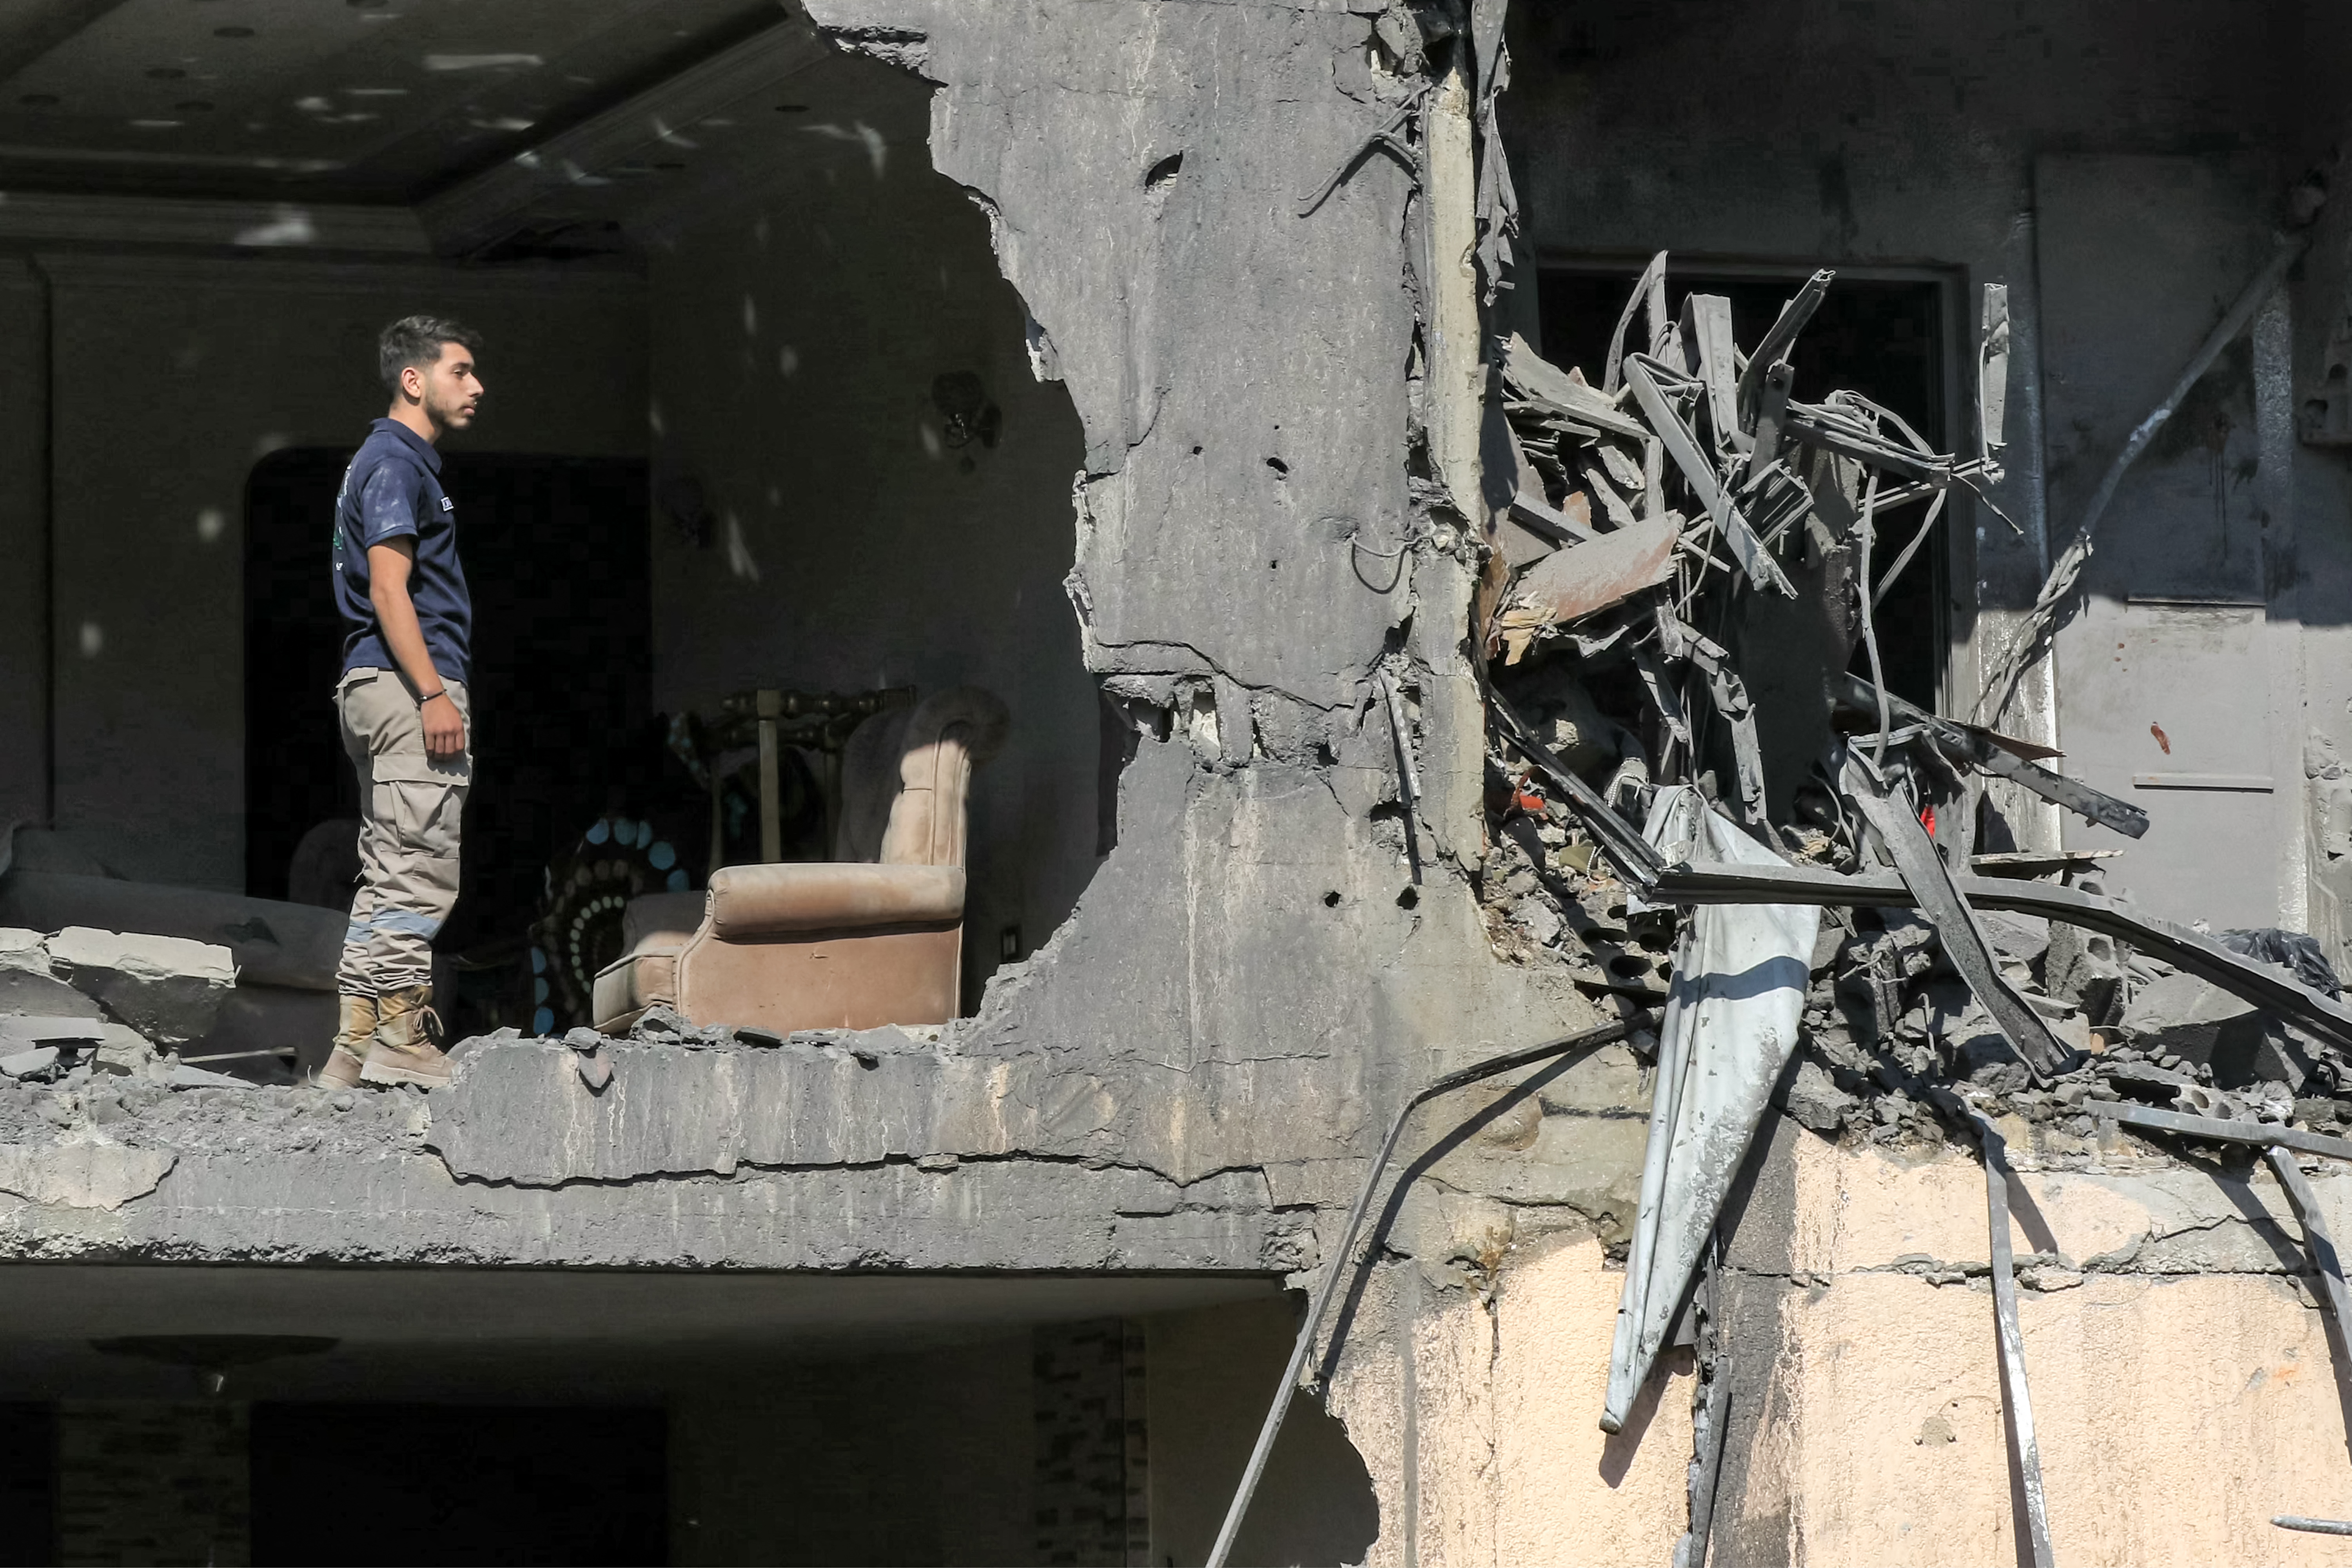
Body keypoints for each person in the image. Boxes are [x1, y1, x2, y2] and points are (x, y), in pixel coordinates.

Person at [319, 316, 485, 1089]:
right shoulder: (395, 464)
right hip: (405, 685)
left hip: (372, 686)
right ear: (413, 380)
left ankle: (350, 1056)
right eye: (461, 370)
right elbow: (390, 588)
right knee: (417, 874)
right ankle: (401, 1038)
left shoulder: (383, 462)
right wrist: (432, 693)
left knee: (387, 873)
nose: (477, 386)